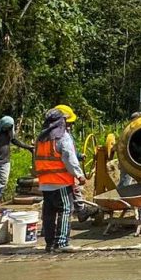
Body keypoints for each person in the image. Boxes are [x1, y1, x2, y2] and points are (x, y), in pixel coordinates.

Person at [33, 105, 86, 253]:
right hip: (61, 182)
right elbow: (69, 158)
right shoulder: (62, 137)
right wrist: (79, 175)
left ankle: (49, 244)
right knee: (65, 210)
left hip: (45, 183)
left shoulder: (41, 138)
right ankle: (62, 243)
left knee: (49, 214)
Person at [0, 116, 33, 210]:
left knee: (3, 181)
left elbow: (15, 141)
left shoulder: (9, 131)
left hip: (5, 161)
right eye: (6, 127)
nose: (7, 128)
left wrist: (28, 147)